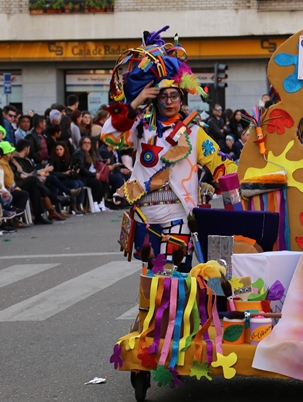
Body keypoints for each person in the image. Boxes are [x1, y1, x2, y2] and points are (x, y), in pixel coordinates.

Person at [101, 26, 237, 259]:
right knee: (152, 279)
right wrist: (137, 101)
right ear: (154, 100)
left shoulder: (194, 133)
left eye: (174, 95)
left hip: (179, 215)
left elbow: (221, 165)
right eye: (162, 96)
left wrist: (241, 194)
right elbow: (110, 135)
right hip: (145, 216)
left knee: (174, 280)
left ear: (182, 98)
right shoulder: (141, 127)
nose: (169, 101)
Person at [72, 136, 107, 212]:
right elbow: (82, 169)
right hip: (82, 176)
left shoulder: (89, 153)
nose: (87, 145)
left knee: (105, 181)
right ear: (81, 144)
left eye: (89, 143)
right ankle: (94, 203)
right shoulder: (79, 154)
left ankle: (99, 202)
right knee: (97, 183)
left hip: (89, 174)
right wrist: (94, 175)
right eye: (85, 143)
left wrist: (105, 161)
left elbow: (97, 161)